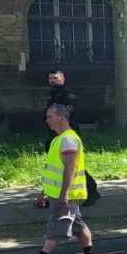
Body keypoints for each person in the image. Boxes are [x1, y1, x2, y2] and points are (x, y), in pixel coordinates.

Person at [16, 104, 99, 254]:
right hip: (59, 193)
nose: (47, 121)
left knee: (57, 226)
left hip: (67, 194)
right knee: (77, 224)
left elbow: (70, 168)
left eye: (50, 117)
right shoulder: (58, 139)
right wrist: (44, 193)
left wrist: (64, 194)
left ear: (61, 117)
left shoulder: (68, 139)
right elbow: (54, 171)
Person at [44, 69, 100, 206]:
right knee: (59, 166)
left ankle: (90, 191)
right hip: (56, 134)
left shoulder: (68, 96)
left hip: (68, 134)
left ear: (63, 79)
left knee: (71, 165)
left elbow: (69, 116)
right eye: (50, 78)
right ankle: (55, 195)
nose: (52, 81)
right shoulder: (53, 96)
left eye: (55, 78)